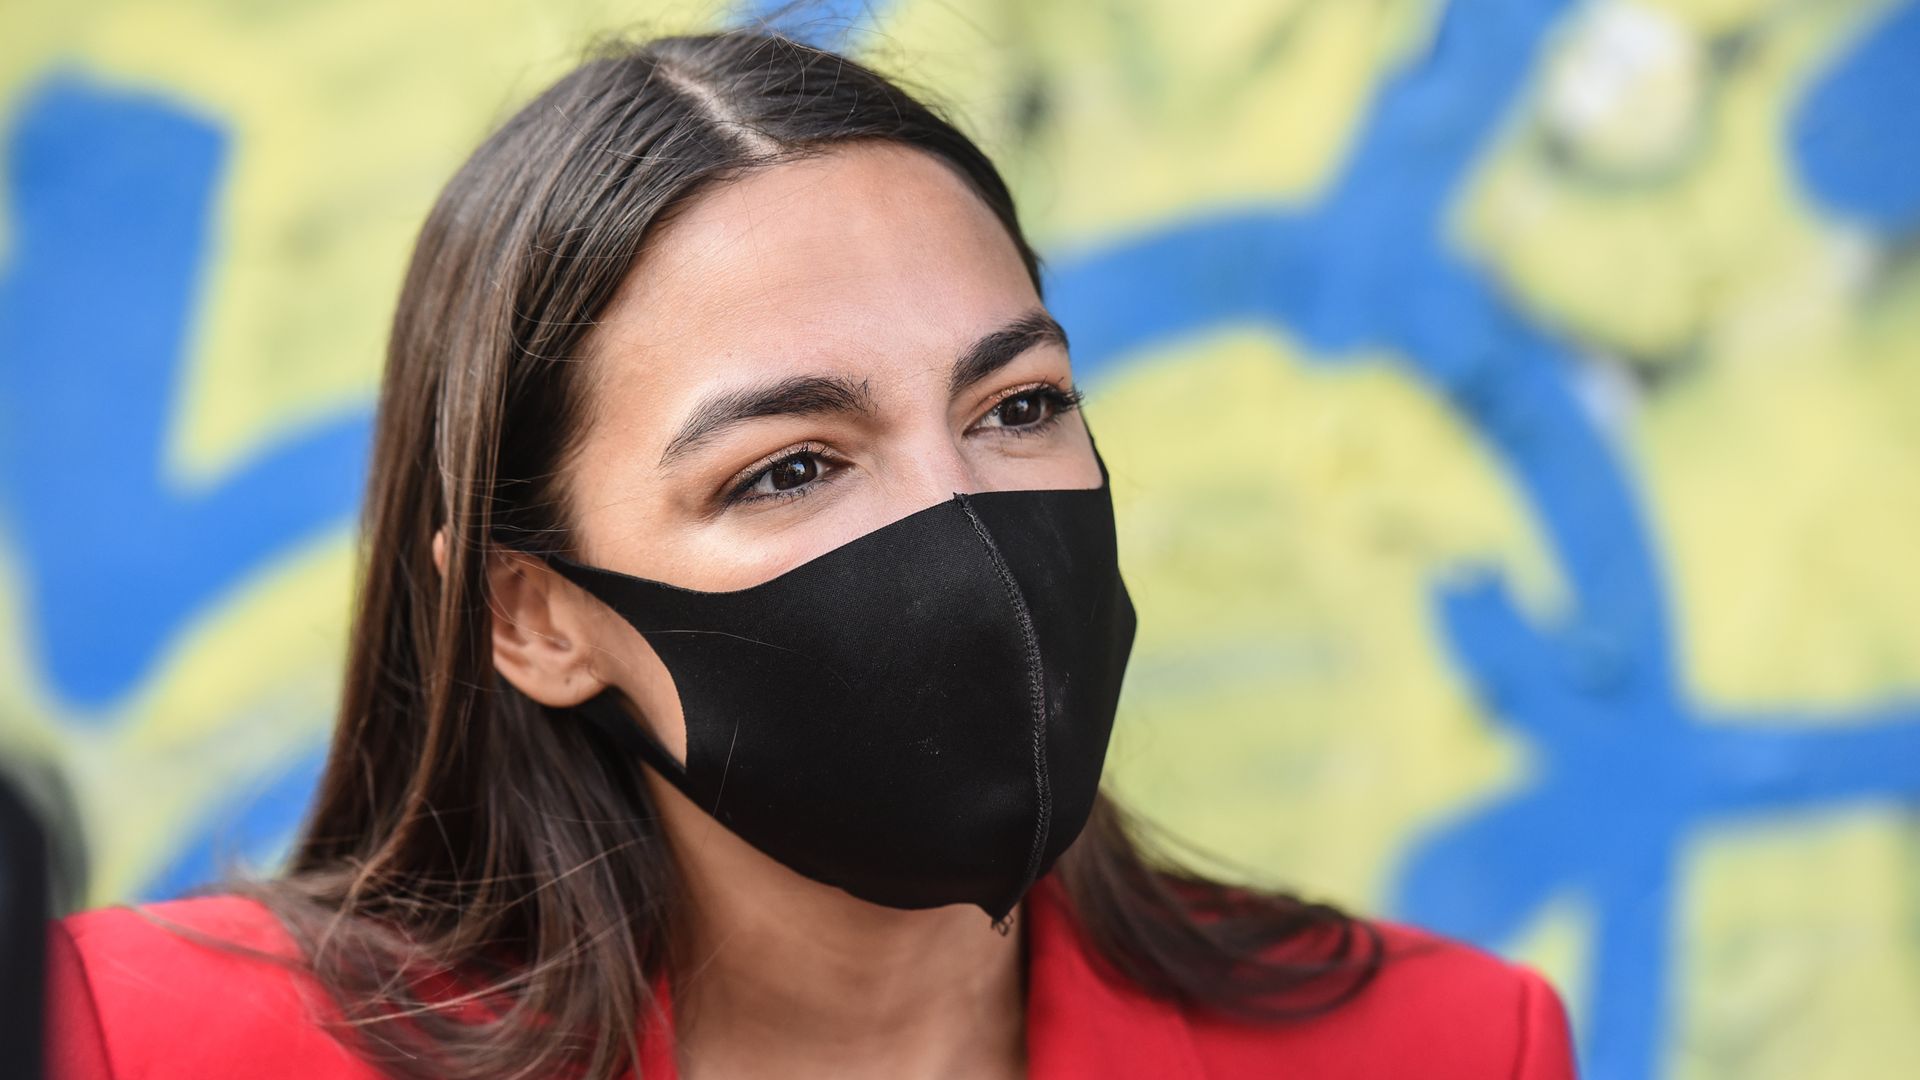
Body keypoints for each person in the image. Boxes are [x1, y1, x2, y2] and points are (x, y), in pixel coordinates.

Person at [41, 27, 1578, 1080]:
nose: (963, 525)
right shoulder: (136, 1038)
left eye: (1017, 404)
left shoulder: (1447, 1044)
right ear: (534, 614)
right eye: (789, 467)